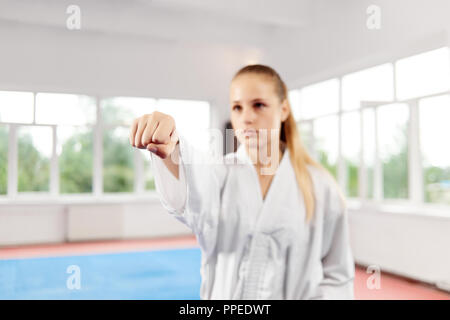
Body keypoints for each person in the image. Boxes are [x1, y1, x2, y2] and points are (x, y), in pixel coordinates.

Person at [129, 64, 355, 299]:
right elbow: (192, 190)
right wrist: (171, 142)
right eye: (237, 107)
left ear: (284, 109)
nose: (246, 118)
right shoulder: (220, 174)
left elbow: (338, 276)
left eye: (259, 105)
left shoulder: (320, 186)